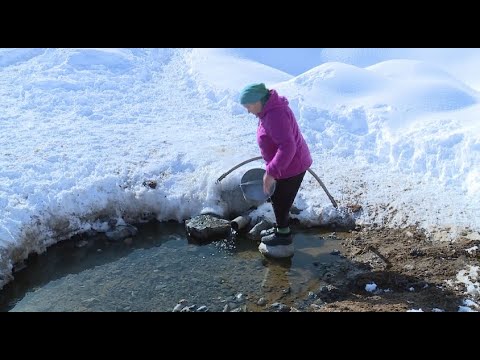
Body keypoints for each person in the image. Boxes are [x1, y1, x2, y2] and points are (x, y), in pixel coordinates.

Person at [240, 83, 312, 258]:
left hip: (291, 166)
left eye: (249, 106)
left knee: (280, 201)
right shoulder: (268, 110)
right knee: (278, 199)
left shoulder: (275, 115)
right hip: (286, 165)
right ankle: (281, 230)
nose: (248, 111)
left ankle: (283, 237)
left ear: (258, 101)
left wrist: (271, 172)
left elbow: (288, 147)